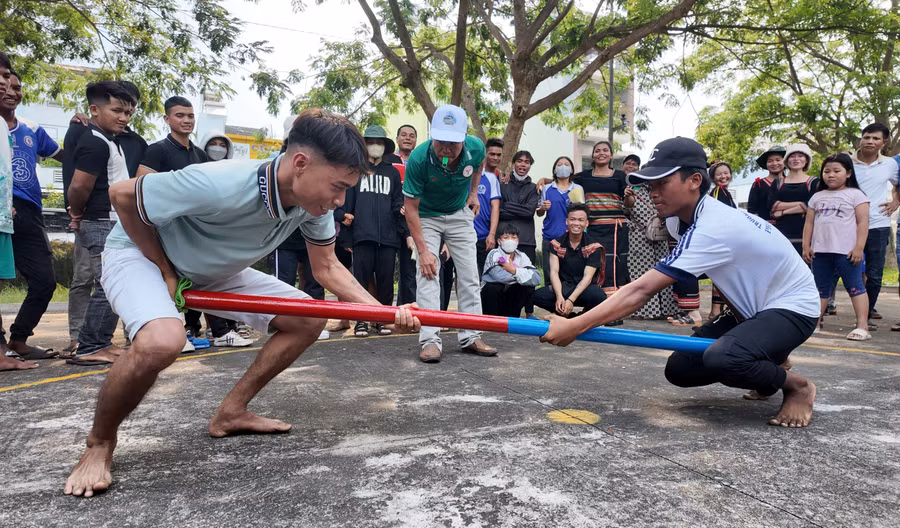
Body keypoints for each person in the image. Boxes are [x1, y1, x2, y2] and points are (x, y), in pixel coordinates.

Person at [63, 108, 421, 498]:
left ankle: (231, 412)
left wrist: (385, 313)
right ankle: (99, 442)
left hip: (213, 269)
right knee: (161, 342)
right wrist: (165, 268)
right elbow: (122, 195)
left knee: (307, 318)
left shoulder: (313, 206)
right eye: (337, 187)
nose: (339, 200)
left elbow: (328, 267)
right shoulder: (222, 181)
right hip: (141, 255)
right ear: (300, 163)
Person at [542, 137, 820, 429]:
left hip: (794, 308)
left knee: (723, 358)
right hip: (755, 312)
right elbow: (724, 275)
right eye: (650, 186)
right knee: (681, 368)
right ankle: (769, 369)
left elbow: (641, 290)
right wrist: (749, 332)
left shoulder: (714, 225)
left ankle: (797, 386)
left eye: (662, 183)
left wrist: (575, 326)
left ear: (695, 181)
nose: (653, 193)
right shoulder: (678, 220)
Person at [402, 104, 496, 363]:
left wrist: (474, 192)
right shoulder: (419, 159)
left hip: (458, 213)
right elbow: (411, 209)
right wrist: (423, 252)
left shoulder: (475, 148)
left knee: (469, 275)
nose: (445, 148)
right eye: (440, 141)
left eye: (452, 143)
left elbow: (479, 166)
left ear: (464, 139)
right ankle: (430, 340)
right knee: (428, 274)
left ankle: (471, 335)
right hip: (426, 216)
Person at [61, 80, 145, 356]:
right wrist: (76, 212)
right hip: (100, 222)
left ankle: (100, 342)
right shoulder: (94, 142)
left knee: (111, 283)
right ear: (94, 110)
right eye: (117, 111)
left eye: (128, 112)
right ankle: (91, 346)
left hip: (112, 221)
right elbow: (79, 186)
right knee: (109, 284)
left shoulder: (111, 140)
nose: (124, 118)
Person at [137, 96, 214, 351]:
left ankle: (188, 331)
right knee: (163, 280)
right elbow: (141, 187)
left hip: (193, 231)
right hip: (163, 229)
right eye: (180, 115)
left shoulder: (200, 154)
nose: (186, 120)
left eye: (190, 116)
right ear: (167, 119)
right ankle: (165, 335)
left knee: (189, 281)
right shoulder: (157, 150)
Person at [1, 69, 63, 360]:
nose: (11, 91)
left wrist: (81, 130)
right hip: (3, 205)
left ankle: (19, 339)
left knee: (44, 281)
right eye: (5, 84)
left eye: (17, 87)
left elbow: (66, 156)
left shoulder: (31, 128)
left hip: (29, 211)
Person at [338, 125, 405, 337]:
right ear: (364, 145)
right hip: (361, 236)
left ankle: (383, 320)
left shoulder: (392, 173)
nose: (375, 146)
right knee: (360, 282)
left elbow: (397, 203)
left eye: (379, 142)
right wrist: (347, 239)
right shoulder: (356, 171)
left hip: (388, 238)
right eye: (371, 142)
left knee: (386, 282)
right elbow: (347, 207)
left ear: (385, 146)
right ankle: (361, 321)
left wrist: (401, 214)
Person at [802, 153, 870, 340]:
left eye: (836, 171)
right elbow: (809, 223)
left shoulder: (856, 195)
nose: (830, 175)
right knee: (820, 289)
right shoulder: (817, 197)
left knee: (855, 287)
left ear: (848, 173)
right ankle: (814, 324)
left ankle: (862, 326)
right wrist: (806, 246)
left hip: (846, 252)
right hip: (820, 252)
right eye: (827, 171)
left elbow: (863, 223)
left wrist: (859, 248)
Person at [0, 53, 37, 372]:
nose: (8, 86)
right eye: (2, 79)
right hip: (5, 210)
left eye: (12, 82)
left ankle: (11, 344)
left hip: (13, 211)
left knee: (40, 280)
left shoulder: (20, 128)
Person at [850, 123, 899, 324]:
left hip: (878, 225)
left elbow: (897, 184)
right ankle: (823, 311)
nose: (870, 141)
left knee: (875, 274)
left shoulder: (891, 164)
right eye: (867, 137)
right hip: (847, 224)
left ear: (883, 143)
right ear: (861, 139)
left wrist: (895, 202)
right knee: (839, 268)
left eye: (876, 138)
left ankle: (866, 316)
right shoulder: (847, 161)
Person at [573, 140, 635, 298]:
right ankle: (596, 300)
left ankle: (614, 302)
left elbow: (629, 204)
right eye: (598, 151)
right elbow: (563, 181)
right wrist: (544, 180)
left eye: (605, 150)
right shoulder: (583, 177)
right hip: (592, 227)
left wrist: (628, 196)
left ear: (611, 155)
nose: (601, 153)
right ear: (593, 156)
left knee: (614, 265)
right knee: (593, 263)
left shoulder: (620, 176)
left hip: (615, 229)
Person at [624, 154, 676, 320]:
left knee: (663, 272)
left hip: (660, 235)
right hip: (639, 236)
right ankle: (644, 311)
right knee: (641, 273)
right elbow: (628, 205)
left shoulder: (661, 190)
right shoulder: (634, 188)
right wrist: (628, 196)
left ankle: (666, 309)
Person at [533, 203, 607, 317]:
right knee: (537, 296)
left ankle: (583, 316)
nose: (576, 223)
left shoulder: (593, 247)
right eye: (572, 219)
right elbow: (554, 273)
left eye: (581, 220)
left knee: (599, 296)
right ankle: (566, 314)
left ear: (586, 223)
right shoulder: (556, 244)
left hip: (583, 289)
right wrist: (559, 296)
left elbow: (587, 278)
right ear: (566, 221)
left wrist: (571, 300)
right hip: (563, 288)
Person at [499, 150, 540, 318]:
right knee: (503, 273)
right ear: (513, 163)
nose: (523, 164)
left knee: (528, 275)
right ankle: (503, 311)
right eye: (520, 161)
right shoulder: (503, 184)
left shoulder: (534, 188)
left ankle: (529, 312)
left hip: (527, 239)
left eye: (527, 162)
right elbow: (499, 211)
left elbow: (529, 212)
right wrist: (519, 208)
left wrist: (509, 205)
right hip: (504, 238)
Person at [537, 156, 584, 284]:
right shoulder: (547, 188)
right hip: (550, 237)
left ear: (572, 170)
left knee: (569, 275)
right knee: (549, 275)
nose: (563, 167)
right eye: (559, 164)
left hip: (571, 238)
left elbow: (582, 213)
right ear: (554, 170)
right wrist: (543, 208)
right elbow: (539, 213)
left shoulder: (577, 189)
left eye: (566, 164)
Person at [767, 144, 820, 254]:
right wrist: (801, 204)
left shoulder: (814, 182)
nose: (796, 159)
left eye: (800, 156)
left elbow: (812, 206)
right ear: (787, 160)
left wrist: (783, 212)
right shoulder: (778, 183)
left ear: (806, 160)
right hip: (782, 235)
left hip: (807, 236)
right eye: (792, 156)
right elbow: (772, 205)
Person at [480, 224, 541, 316]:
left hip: (510, 298)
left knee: (527, 286)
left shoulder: (522, 256)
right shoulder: (494, 254)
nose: (510, 240)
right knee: (495, 286)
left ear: (518, 241)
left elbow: (537, 278)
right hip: (491, 300)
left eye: (513, 237)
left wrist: (514, 270)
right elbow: (500, 277)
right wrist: (522, 275)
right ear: (499, 241)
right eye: (506, 237)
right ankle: (491, 319)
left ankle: (513, 317)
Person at [707, 161, 736, 320]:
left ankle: (719, 309)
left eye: (726, 173)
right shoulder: (718, 192)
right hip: (722, 238)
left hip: (725, 237)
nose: (723, 176)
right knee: (722, 274)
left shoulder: (725, 192)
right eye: (719, 174)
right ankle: (716, 310)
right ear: (713, 178)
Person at [394, 126, 418, 308]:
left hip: (412, 221)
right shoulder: (389, 160)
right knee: (386, 271)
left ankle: (407, 309)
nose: (408, 138)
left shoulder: (419, 161)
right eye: (403, 135)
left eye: (412, 136)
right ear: (397, 138)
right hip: (391, 219)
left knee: (409, 269)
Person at [474, 137, 503, 272]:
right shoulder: (464, 175)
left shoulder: (491, 178)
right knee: (463, 275)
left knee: (485, 274)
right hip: (463, 235)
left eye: (498, 155)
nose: (495, 157)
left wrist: (491, 234)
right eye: (492, 154)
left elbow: (495, 207)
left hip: (483, 236)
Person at [747, 146, 785, 220]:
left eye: (778, 160)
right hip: (765, 225)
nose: (774, 163)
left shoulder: (792, 182)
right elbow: (752, 210)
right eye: (770, 161)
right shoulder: (758, 184)